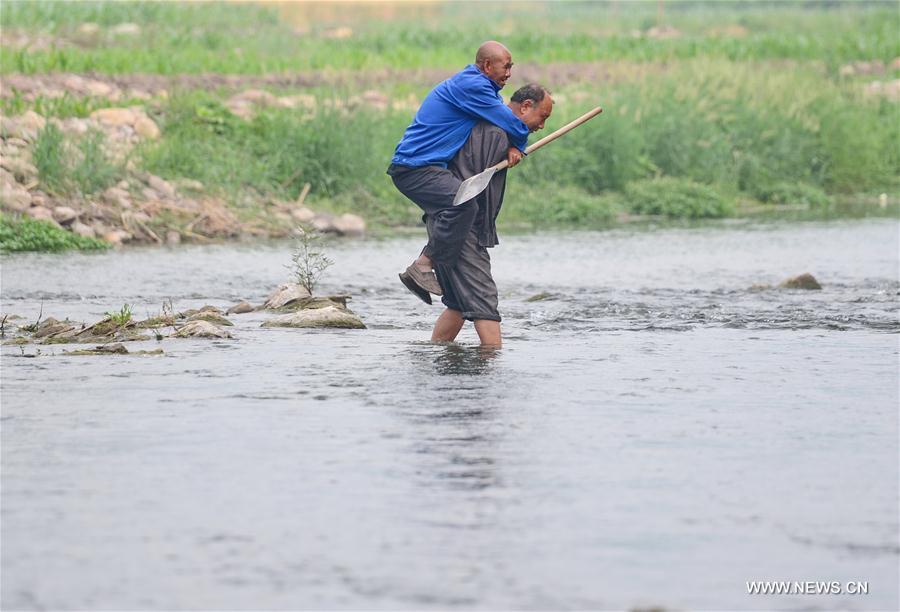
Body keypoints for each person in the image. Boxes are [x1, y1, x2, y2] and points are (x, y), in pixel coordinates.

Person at [389, 83, 553, 347]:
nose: (542, 125)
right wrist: (508, 143)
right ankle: (491, 371)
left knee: (457, 304)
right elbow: (470, 186)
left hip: (444, 224)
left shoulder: (487, 124)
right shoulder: (496, 133)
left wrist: (512, 145)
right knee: (484, 302)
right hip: (463, 228)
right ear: (525, 107)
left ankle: (436, 359)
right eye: (542, 117)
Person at [387, 41, 529, 301]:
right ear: (487, 66)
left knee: (460, 206)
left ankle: (433, 272)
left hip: (427, 168)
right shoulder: (472, 86)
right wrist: (519, 142)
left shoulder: (482, 87)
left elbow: (499, 121)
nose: (509, 73)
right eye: (505, 67)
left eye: (511, 67)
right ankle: (423, 265)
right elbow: (513, 124)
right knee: (463, 204)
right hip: (414, 169)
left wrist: (511, 145)